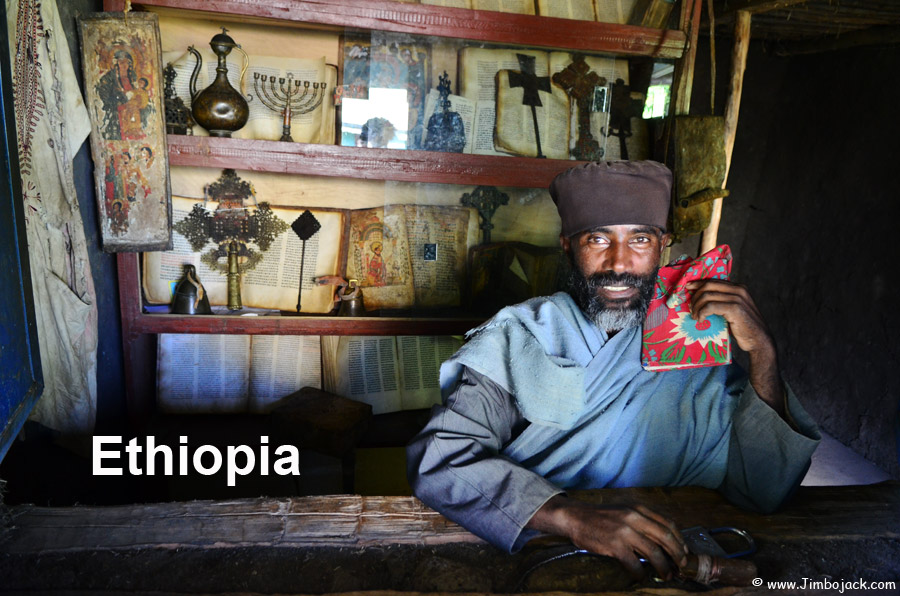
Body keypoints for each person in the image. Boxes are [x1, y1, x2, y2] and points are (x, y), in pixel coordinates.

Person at [406, 160, 820, 581]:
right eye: (598, 238)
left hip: (671, 565)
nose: (619, 263)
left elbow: (763, 489)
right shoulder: (519, 337)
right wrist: (572, 518)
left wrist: (763, 354)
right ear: (567, 245)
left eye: (639, 239)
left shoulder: (692, 345)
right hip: (546, 563)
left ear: (664, 245)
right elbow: (441, 460)